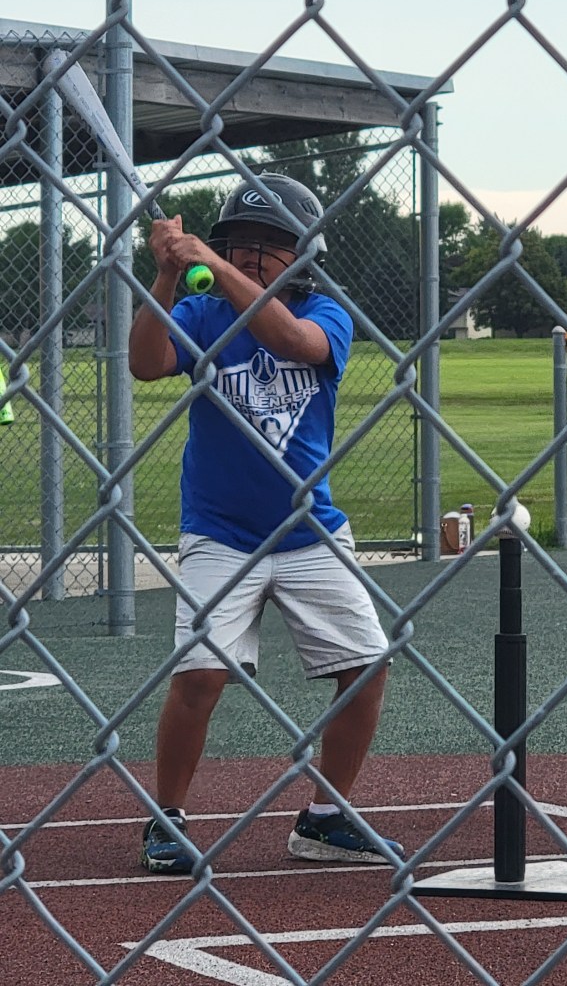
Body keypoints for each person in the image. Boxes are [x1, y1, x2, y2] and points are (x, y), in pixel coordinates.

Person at [129, 172, 403, 874]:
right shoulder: (200, 314)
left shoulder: (328, 313)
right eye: (239, 244)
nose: (251, 256)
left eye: (270, 246)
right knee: (200, 675)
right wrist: (164, 277)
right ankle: (167, 819)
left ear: (304, 255)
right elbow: (146, 362)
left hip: (311, 530)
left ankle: (326, 819)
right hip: (220, 533)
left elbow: (294, 344)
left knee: (367, 666)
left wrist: (213, 264)